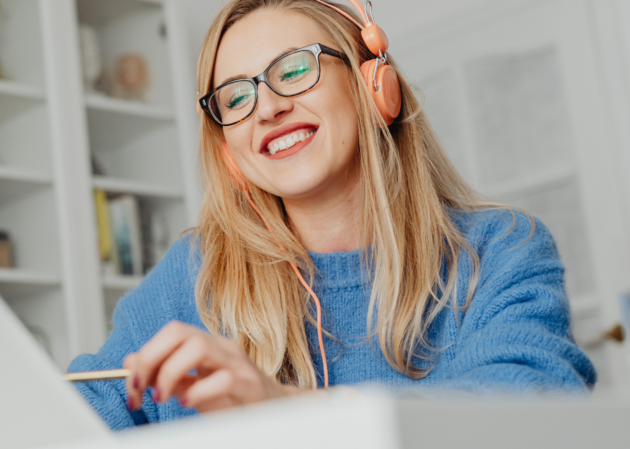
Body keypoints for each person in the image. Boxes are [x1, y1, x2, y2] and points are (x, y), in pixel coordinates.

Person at [67, 0, 596, 431]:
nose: (267, 107)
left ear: (374, 88)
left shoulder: (500, 251)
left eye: (294, 69)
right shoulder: (191, 277)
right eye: (235, 98)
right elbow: (76, 416)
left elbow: (528, 419)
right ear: (230, 149)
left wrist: (284, 410)